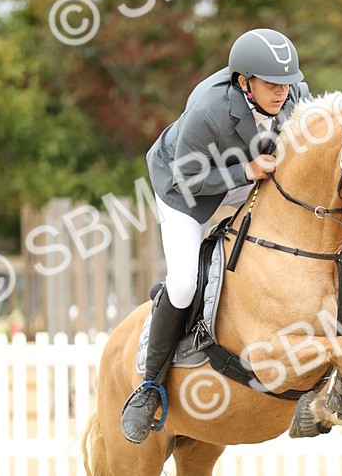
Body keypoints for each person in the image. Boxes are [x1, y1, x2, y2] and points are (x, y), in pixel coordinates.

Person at [121, 28, 310, 443]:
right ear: (245, 82)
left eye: (286, 83)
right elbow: (187, 178)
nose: (282, 92)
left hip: (248, 179)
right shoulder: (209, 109)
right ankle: (149, 386)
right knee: (184, 283)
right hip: (185, 189)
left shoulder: (295, 96)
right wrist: (247, 171)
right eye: (271, 84)